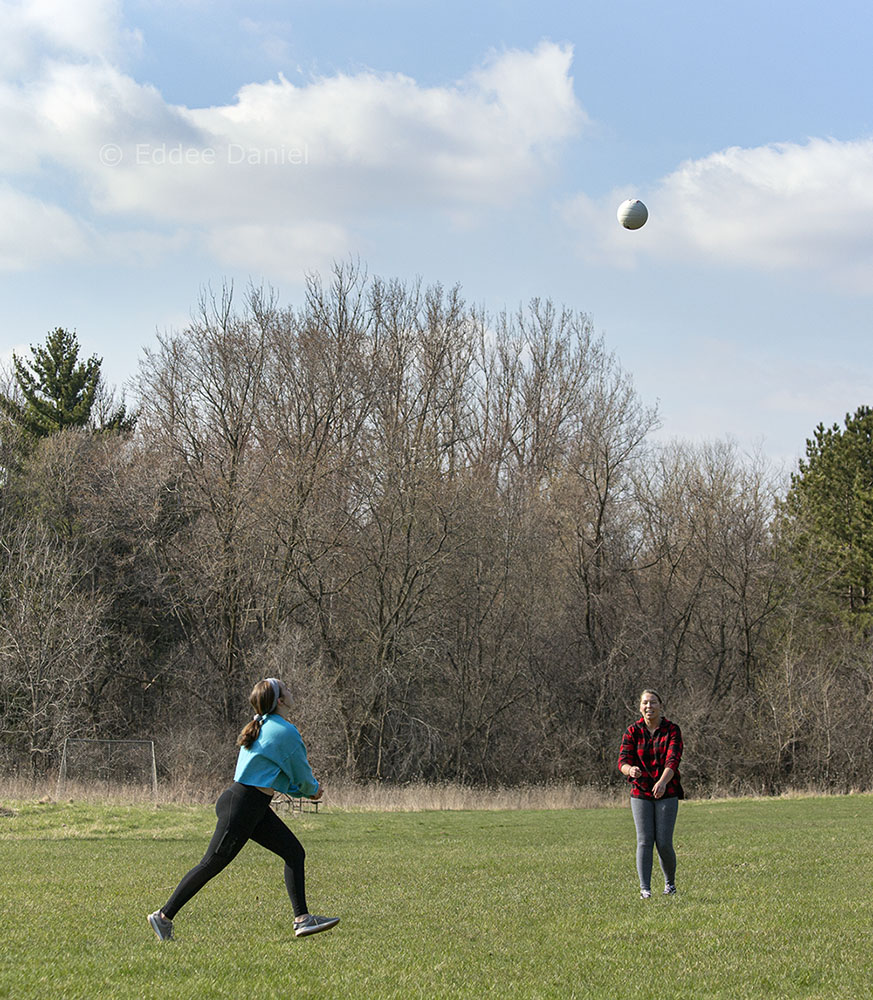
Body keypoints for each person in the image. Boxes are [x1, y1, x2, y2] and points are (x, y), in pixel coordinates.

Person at [148, 677, 339, 941]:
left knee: (294, 852)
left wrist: (305, 791)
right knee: (211, 864)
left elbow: (280, 778)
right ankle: (163, 916)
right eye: (286, 689)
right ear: (280, 701)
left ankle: (303, 920)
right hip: (242, 807)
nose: (291, 690)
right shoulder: (284, 731)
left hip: (250, 805)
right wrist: (312, 790)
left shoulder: (265, 726)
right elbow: (300, 774)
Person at [617, 688, 684, 899]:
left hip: (667, 791)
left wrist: (663, 781)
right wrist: (630, 770)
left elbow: (673, 759)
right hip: (640, 792)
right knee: (644, 840)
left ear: (660, 705)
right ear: (640, 707)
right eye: (645, 703)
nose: (649, 706)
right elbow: (622, 761)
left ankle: (669, 884)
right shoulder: (632, 731)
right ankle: (645, 889)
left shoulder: (672, 730)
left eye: (653, 702)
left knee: (663, 842)